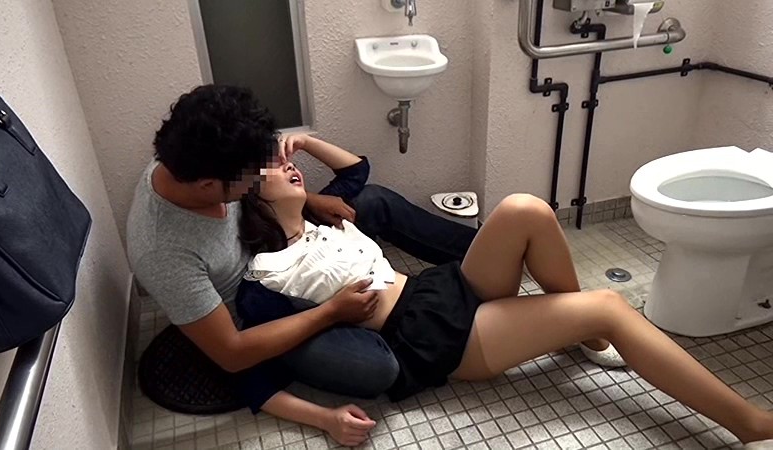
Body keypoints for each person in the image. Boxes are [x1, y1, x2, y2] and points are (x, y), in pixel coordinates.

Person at [238, 132, 773, 448]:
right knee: (607, 307)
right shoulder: (267, 273)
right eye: (275, 171)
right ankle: (750, 424)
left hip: (437, 289)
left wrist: (306, 141)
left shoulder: (326, 214)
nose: (289, 167)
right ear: (252, 199)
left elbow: (357, 169)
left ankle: (582, 337)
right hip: (429, 336)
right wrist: (326, 420)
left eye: (287, 161)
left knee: (525, 209)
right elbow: (251, 373)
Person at [126, 85, 477, 442]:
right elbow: (232, 354)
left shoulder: (201, 150)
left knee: (372, 202)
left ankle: (481, 252)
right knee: (377, 369)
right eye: (251, 179)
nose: (259, 178)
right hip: (268, 309)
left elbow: (291, 184)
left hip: (279, 238)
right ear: (207, 186)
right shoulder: (163, 253)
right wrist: (332, 314)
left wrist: (308, 199)